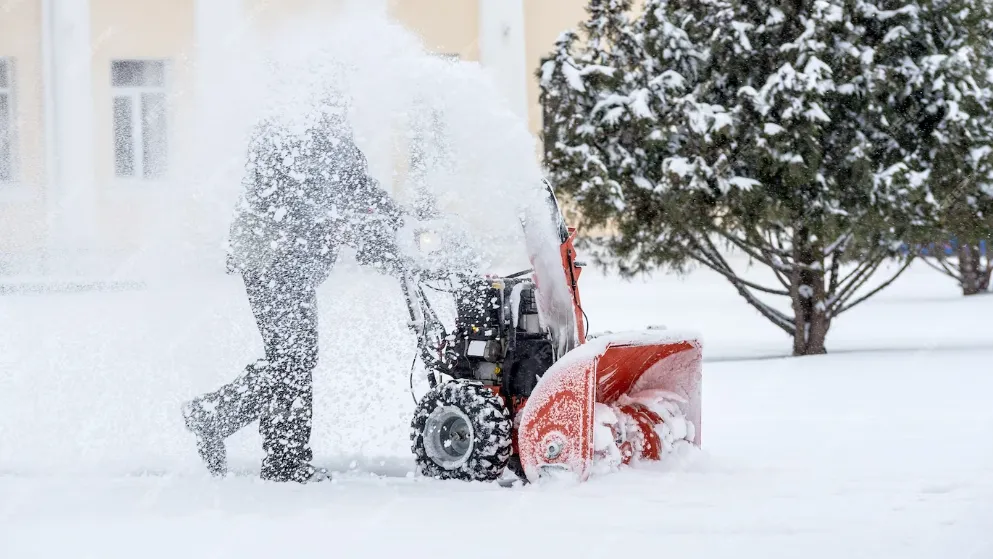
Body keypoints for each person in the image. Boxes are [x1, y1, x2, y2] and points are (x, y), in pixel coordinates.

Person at [181, 97, 405, 483]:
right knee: (293, 360)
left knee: (293, 360)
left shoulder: (336, 146)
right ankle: (273, 455)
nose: (338, 113)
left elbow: (360, 190)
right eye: (331, 105)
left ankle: (219, 420)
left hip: (296, 267)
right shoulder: (282, 137)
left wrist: (402, 226)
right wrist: (338, 219)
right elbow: (287, 198)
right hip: (270, 262)